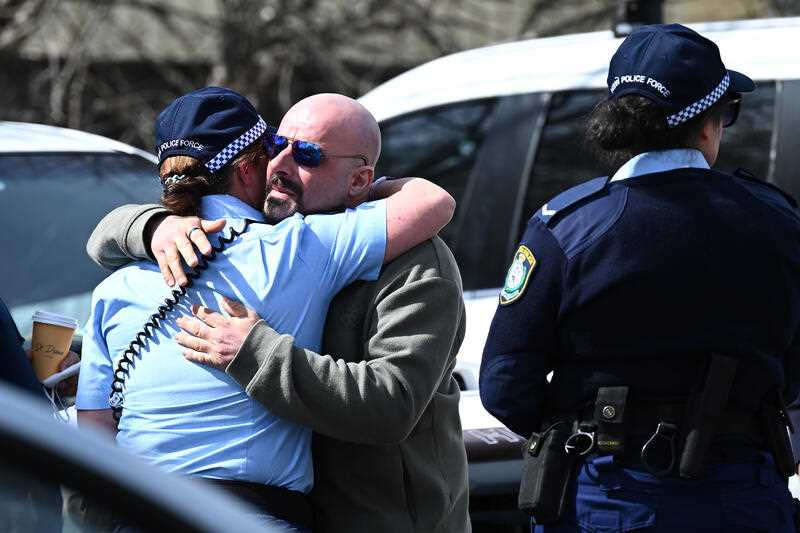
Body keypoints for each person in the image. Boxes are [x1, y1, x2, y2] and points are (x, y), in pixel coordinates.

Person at [86, 93, 471, 532]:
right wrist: (152, 225)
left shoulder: (412, 261)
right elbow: (102, 240)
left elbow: (393, 403)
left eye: (306, 154)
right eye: (275, 146)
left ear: (359, 179)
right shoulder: (262, 240)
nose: (280, 165)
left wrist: (255, 351)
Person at [480, 24, 800, 532]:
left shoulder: (567, 226)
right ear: (708, 122)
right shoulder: (778, 220)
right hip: (745, 495)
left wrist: (581, 428)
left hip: (607, 492)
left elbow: (504, 384)